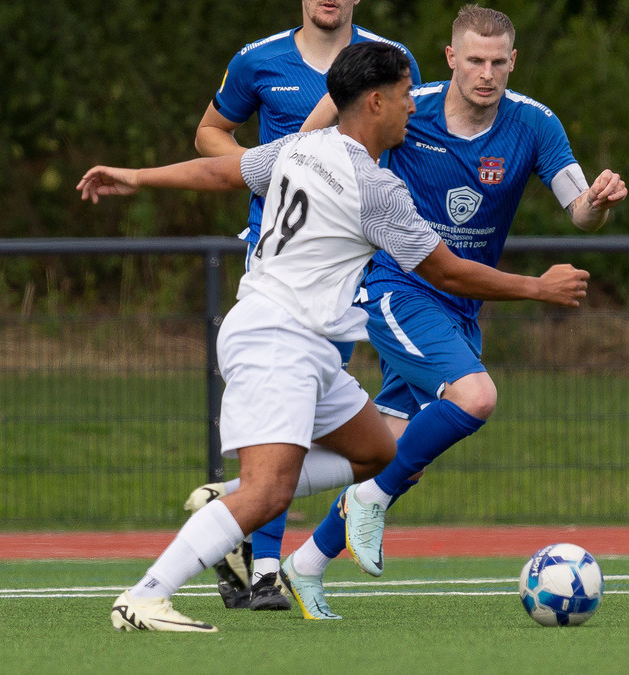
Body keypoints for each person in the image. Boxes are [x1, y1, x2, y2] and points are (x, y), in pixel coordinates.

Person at [78, 41, 593, 632]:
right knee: (267, 496)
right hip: (278, 338)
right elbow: (446, 272)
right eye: (403, 99)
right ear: (374, 102)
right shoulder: (376, 189)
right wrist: (538, 287)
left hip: (305, 345)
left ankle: (230, 502)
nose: (410, 110)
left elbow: (225, 170)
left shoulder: (302, 146)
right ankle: (145, 595)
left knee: (380, 453)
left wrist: (138, 176)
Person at [189, 4, 627, 620]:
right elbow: (320, 141)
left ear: (513, 62)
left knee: (398, 453)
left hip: (462, 304)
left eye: (498, 62)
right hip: (397, 289)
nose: (486, 73)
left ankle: (296, 555)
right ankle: (358, 503)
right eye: (474, 60)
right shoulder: (402, 106)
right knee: (474, 397)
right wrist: (287, 169)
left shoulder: (534, 124)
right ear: (450, 58)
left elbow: (578, 210)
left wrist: (598, 204)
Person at [192, 0, 421, 611]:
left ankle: (238, 512)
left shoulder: (388, 61)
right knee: (284, 410)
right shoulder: (256, 61)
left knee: (315, 408)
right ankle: (263, 563)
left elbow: (398, 149)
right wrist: (267, 168)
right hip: (276, 258)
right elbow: (209, 134)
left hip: (343, 258)